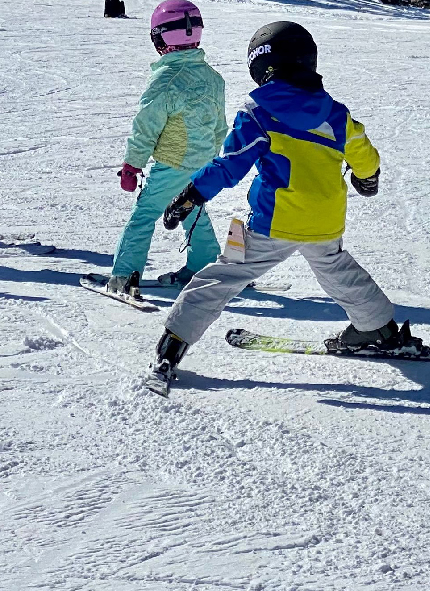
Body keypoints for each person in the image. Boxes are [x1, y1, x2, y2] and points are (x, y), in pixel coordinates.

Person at [144, 21, 408, 394]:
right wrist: (367, 177)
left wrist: (191, 195)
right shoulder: (335, 112)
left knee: (224, 276)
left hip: (273, 221)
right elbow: (362, 150)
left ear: (262, 66)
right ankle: (377, 326)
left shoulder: (258, 110)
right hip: (325, 220)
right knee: (336, 269)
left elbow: (230, 163)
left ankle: (172, 346)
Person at [103, 0, 227, 301]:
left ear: (160, 39)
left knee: (145, 213)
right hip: (204, 162)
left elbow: (146, 126)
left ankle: (125, 274)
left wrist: (132, 165)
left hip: (173, 161)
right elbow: (220, 127)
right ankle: (205, 265)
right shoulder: (213, 77)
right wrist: (210, 158)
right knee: (192, 207)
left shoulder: (165, 80)